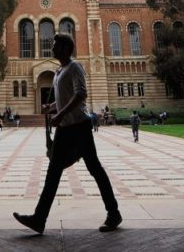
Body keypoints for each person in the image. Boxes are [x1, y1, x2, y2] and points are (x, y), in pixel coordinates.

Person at [14, 33, 121, 234]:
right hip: (64, 129)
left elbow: (81, 94)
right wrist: (51, 107)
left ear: (65, 49)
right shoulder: (59, 71)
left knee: (94, 168)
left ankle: (113, 213)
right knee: (53, 173)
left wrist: (60, 112)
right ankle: (39, 218)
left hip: (80, 126)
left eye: (55, 46)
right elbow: (65, 97)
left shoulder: (75, 67)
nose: (52, 49)